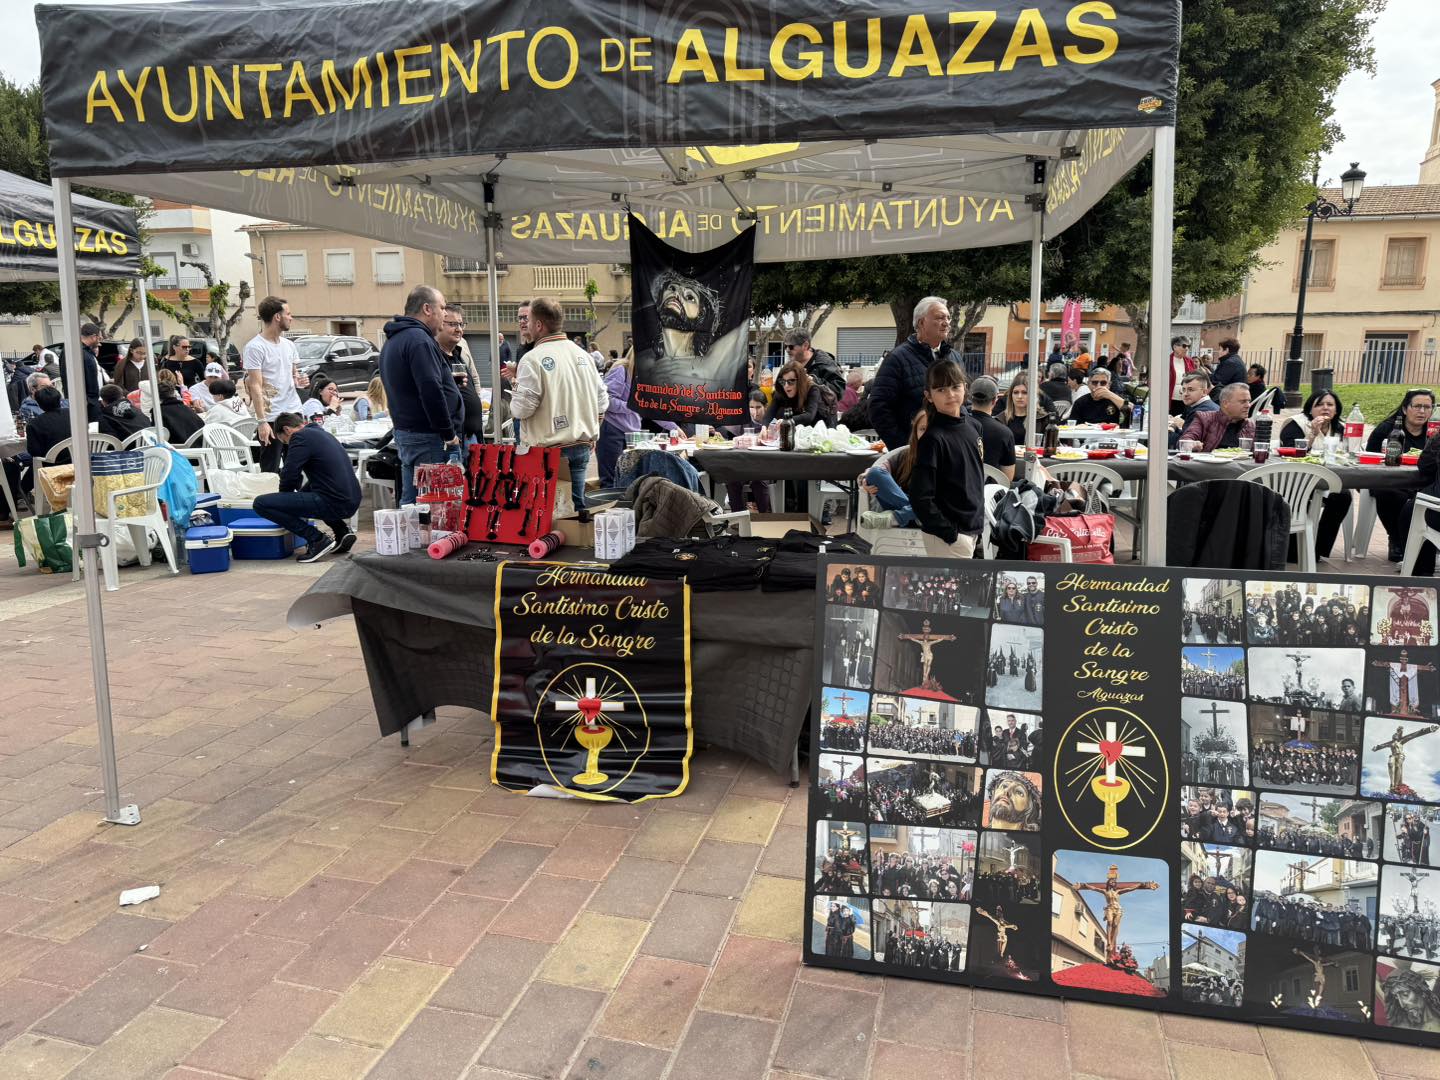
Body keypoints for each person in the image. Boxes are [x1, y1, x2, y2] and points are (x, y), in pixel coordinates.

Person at [509, 296, 609, 518]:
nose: (526, 325)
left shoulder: (532, 358)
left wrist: (516, 388)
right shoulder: (583, 354)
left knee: (547, 515)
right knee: (577, 510)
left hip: (547, 450)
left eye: (529, 320)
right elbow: (602, 400)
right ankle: (581, 547)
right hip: (582, 443)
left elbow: (521, 410)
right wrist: (594, 428)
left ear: (539, 325)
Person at [379, 285, 464, 506]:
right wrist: (449, 435)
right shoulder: (418, 340)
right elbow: (429, 391)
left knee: (413, 503)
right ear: (427, 308)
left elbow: (414, 384)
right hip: (428, 437)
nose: (445, 314)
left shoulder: (395, 340)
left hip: (410, 434)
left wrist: (447, 384)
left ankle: (413, 541)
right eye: (442, 308)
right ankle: (427, 543)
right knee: (434, 508)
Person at [252, 411, 361, 563]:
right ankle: (341, 531)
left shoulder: (299, 438)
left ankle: (317, 539)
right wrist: (294, 498)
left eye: (284, 442)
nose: (287, 445)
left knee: (261, 503)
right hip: (351, 498)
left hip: (334, 502)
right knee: (311, 490)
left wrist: (285, 500)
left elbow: (290, 473)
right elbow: (321, 479)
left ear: (287, 430)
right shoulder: (321, 434)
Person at [907, 359, 985, 557]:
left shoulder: (974, 426)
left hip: (973, 528)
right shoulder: (932, 439)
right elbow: (920, 497)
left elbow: (974, 477)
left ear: (965, 388)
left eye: (955, 387)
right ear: (929, 396)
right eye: (941, 390)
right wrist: (949, 533)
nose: (950, 395)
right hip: (948, 536)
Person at [869, 298, 956, 450]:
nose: (947, 322)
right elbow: (878, 408)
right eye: (940, 317)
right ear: (921, 323)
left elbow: (964, 402)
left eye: (948, 317)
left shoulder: (954, 357)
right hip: (916, 452)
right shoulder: (897, 359)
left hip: (951, 448)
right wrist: (904, 447)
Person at [1280, 389, 1352, 559]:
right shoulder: (1295, 424)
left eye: (1330, 405)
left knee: (1343, 496)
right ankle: (1295, 548)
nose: (1325, 408)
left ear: (1336, 409)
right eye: (1319, 404)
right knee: (1301, 498)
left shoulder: (1340, 428)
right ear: (1310, 409)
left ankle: (1317, 549)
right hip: (1298, 480)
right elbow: (1290, 453)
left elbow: (1347, 454)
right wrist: (1312, 433)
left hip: (1329, 479)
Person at [1367, 389, 1437, 560]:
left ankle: (1422, 544)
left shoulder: (1433, 432)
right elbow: (1369, 457)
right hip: (1389, 481)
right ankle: (1397, 540)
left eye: (1427, 407)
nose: (1422, 411)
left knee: (1422, 499)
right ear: (1405, 409)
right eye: (1417, 406)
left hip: (1422, 483)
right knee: (1389, 493)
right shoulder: (1388, 429)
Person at [243, 296, 308, 473]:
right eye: (288, 313)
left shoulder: (289, 345)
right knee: (270, 467)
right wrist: (262, 421)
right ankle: (271, 499)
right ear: (277, 317)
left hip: (293, 411)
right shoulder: (255, 347)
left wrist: (300, 381)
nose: (291, 317)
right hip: (271, 416)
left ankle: (294, 498)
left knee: (296, 465)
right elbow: (254, 385)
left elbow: (294, 377)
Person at [437, 305, 485, 446]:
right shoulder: (435, 357)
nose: (459, 329)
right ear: (440, 325)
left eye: (461, 324)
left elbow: (473, 380)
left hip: (472, 435)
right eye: (452, 324)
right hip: (454, 439)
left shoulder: (458, 354)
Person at [598, 350, 642, 487]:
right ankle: (609, 507)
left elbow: (651, 406)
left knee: (630, 478)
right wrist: (632, 406)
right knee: (610, 479)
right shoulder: (621, 369)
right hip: (612, 429)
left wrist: (674, 427)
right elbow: (606, 401)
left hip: (632, 432)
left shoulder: (647, 375)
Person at [726, 390, 773, 513]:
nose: (755, 411)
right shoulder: (743, 421)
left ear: (765, 407)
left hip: (766, 465)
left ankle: (765, 518)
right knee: (732, 480)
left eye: (758, 407)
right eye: (751, 407)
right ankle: (738, 518)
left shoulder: (771, 423)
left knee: (759, 482)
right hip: (745, 464)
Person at [966, 376, 1016, 480]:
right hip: (991, 492)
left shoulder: (958, 426)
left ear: (970, 397)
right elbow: (1007, 478)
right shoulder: (1005, 433)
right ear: (994, 400)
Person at [1180, 382, 1254, 451]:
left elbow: (1260, 449)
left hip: (1241, 464)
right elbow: (1185, 440)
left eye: (1249, 401)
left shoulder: (1250, 425)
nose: (1248, 405)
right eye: (1243, 401)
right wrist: (1191, 444)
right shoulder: (1205, 419)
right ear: (1225, 403)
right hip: (1209, 464)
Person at [783, 327, 845, 398]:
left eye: (791, 347)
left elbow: (839, 391)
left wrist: (812, 380)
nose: (787, 350)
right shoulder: (792, 362)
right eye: (785, 346)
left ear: (805, 345)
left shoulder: (824, 363)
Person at [998, 372, 1055, 448]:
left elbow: (1053, 446)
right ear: (1011, 395)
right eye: (1015, 392)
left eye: (1025, 392)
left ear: (1033, 395)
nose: (1019, 396)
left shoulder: (1043, 419)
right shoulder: (1001, 419)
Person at [1168, 371, 1219, 447]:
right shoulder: (1202, 405)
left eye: (1190, 390)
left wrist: (1169, 430)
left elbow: (1183, 443)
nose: (1185, 394)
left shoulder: (1200, 411)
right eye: (1184, 390)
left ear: (1204, 392)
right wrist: (1174, 427)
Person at [25, 385, 73, 464]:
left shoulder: (34, 424)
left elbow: (34, 452)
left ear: (39, 404)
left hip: (53, 468)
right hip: (80, 461)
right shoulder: (72, 413)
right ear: (59, 399)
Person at [766, 360, 823, 425]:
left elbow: (809, 416)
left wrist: (787, 421)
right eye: (782, 381)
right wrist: (764, 427)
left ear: (800, 381)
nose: (786, 385)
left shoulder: (813, 389)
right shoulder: (780, 391)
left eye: (791, 381)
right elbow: (770, 413)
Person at [73, 321, 105, 420]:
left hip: (94, 401)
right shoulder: (79, 352)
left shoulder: (87, 352)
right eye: (99, 337)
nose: (101, 340)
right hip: (87, 404)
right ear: (93, 337)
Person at [158, 378, 204, 442]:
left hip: (180, 449)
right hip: (201, 446)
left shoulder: (159, 412)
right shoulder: (187, 409)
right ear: (174, 393)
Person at [1167, 336, 1198, 413]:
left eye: (1188, 346)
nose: (1187, 348)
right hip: (1172, 399)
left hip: (1187, 399)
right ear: (1175, 347)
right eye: (1184, 346)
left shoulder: (1189, 361)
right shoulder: (1167, 360)